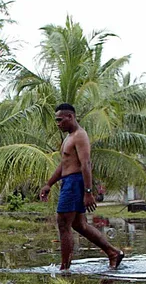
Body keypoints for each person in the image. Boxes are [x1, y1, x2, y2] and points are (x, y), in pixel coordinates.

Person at [38, 103, 125, 271]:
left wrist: (88, 192)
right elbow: (63, 165)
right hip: (69, 181)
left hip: (75, 183)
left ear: (70, 117)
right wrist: (49, 183)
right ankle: (113, 253)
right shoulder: (68, 138)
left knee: (63, 224)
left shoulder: (80, 136)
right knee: (79, 225)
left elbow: (86, 164)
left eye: (60, 120)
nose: (58, 124)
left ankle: (64, 268)